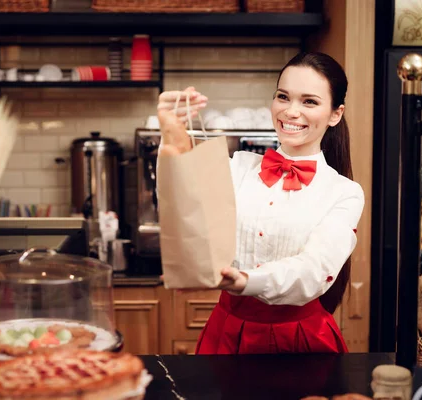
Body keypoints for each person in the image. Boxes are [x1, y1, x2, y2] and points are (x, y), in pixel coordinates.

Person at [156, 52, 365, 354]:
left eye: (309, 101)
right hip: (226, 333)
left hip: (299, 340)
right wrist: (172, 129)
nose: (291, 111)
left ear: (335, 113)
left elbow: (313, 269)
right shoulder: (237, 167)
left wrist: (244, 281)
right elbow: (180, 198)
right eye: (283, 97)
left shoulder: (344, 192)